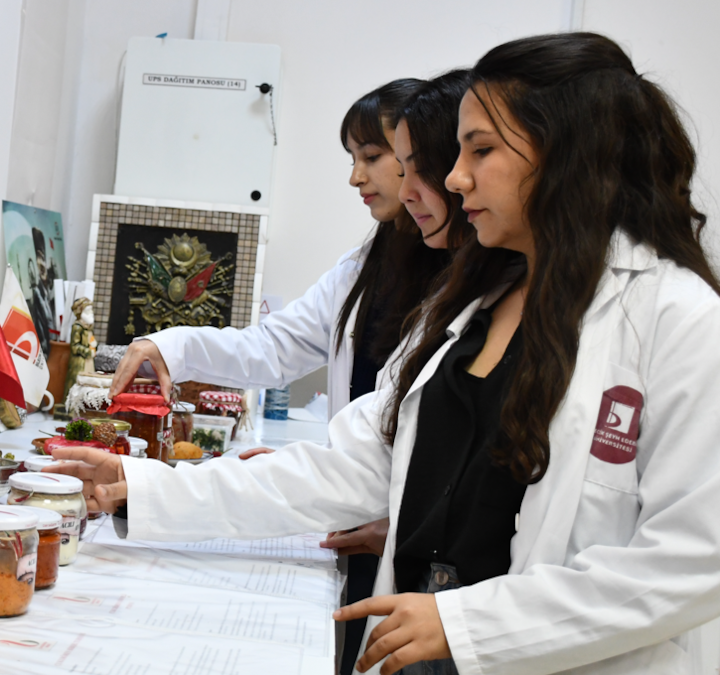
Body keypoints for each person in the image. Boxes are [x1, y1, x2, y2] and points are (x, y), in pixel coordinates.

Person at [51, 33, 720, 674]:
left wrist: (467, 624)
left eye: (480, 150)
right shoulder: (470, 307)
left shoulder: (679, 320)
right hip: (415, 654)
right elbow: (345, 468)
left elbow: (694, 559)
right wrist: (143, 487)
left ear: (569, 152)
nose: (455, 178)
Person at [106, 73, 472, 675]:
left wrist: (400, 516)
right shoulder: (368, 263)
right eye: (356, 159)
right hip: (362, 515)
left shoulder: (467, 287)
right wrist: (171, 345)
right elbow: (275, 348)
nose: (357, 177)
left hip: (404, 538)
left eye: (376, 157)